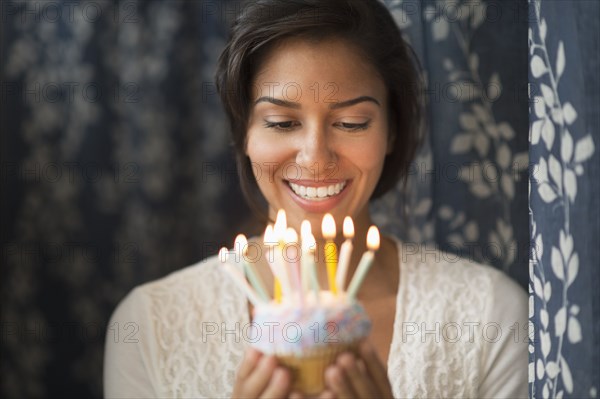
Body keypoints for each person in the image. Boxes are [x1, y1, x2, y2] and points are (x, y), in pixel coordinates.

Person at [103, 0, 528, 398]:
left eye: (351, 122)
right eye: (283, 123)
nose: (315, 157)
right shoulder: (149, 325)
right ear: (244, 133)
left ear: (391, 131)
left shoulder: (491, 318)